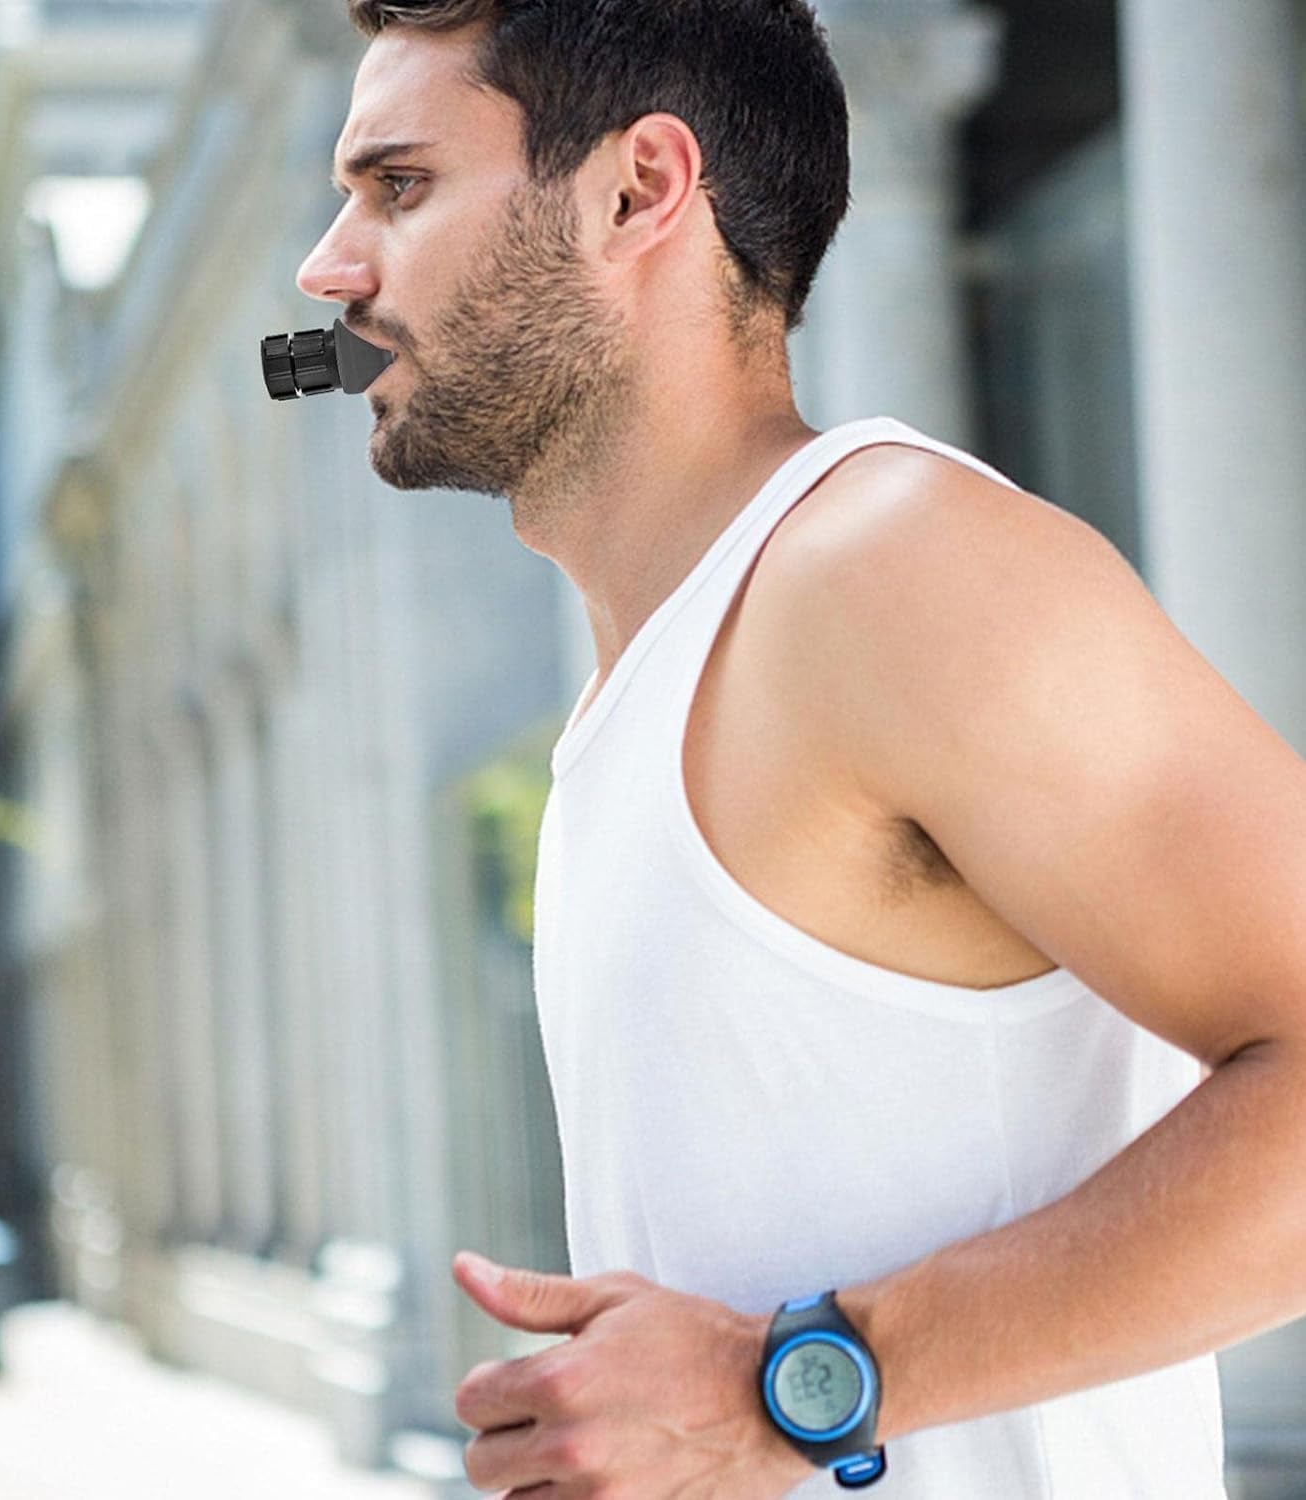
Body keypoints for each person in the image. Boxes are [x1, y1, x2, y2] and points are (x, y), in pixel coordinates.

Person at [293, 2, 1306, 1496]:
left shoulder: (891, 569)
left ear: (639, 188)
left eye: (400, 186)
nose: (329, 270)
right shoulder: (638, 693)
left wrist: (792, 1387)